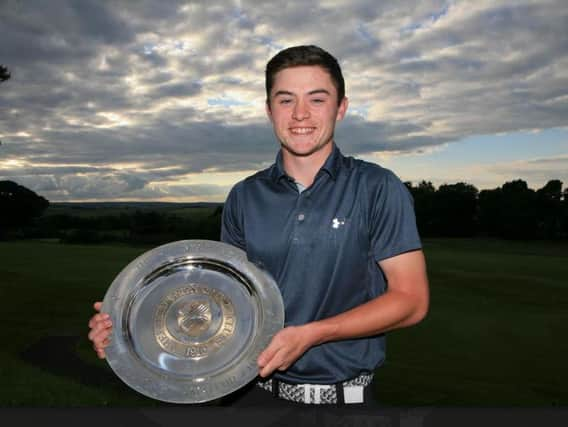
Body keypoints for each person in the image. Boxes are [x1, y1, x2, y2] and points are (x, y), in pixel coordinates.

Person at [88, 45, 429, 408]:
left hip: (344, 401)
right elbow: (221, 300)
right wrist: (125, 327)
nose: (300, 114)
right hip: (251, 398)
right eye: (285, 100)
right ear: (269, 110)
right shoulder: (244, 196)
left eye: (317, 99)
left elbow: (411, 301)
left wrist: (313, 334)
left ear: (341, 107)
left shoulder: (378, 188)